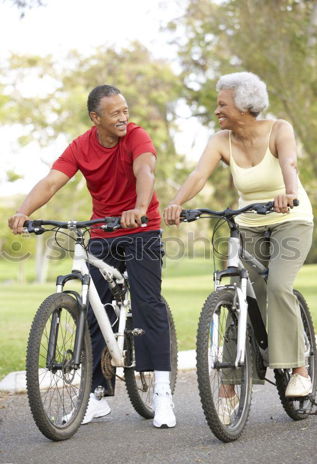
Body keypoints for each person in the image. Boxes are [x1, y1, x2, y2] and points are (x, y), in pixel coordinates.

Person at [8, 84, 176, 429]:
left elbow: (145, 170)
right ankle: (97, 395)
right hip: (102, 230)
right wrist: (23, 212)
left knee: (147, 303)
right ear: (95, 118)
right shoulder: (81, 146)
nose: (123, 118)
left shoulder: (137, 137)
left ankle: (162, 391)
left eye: (125, 111)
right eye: (115, 113)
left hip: (141, 227)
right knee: (95, 309)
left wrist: (139, 208)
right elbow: (52, 182)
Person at [164, 71, 314, 422]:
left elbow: (289, 164)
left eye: (222, 104)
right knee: (238, 294)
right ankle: (229, 385)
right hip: (247, 221)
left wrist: (289, 193)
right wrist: (176, 202)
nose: (216, 110)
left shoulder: (279, 129)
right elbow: (199, 175)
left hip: (290, 218)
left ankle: (300, 370)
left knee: (277, 286)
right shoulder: (221, 140)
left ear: (245, 106)